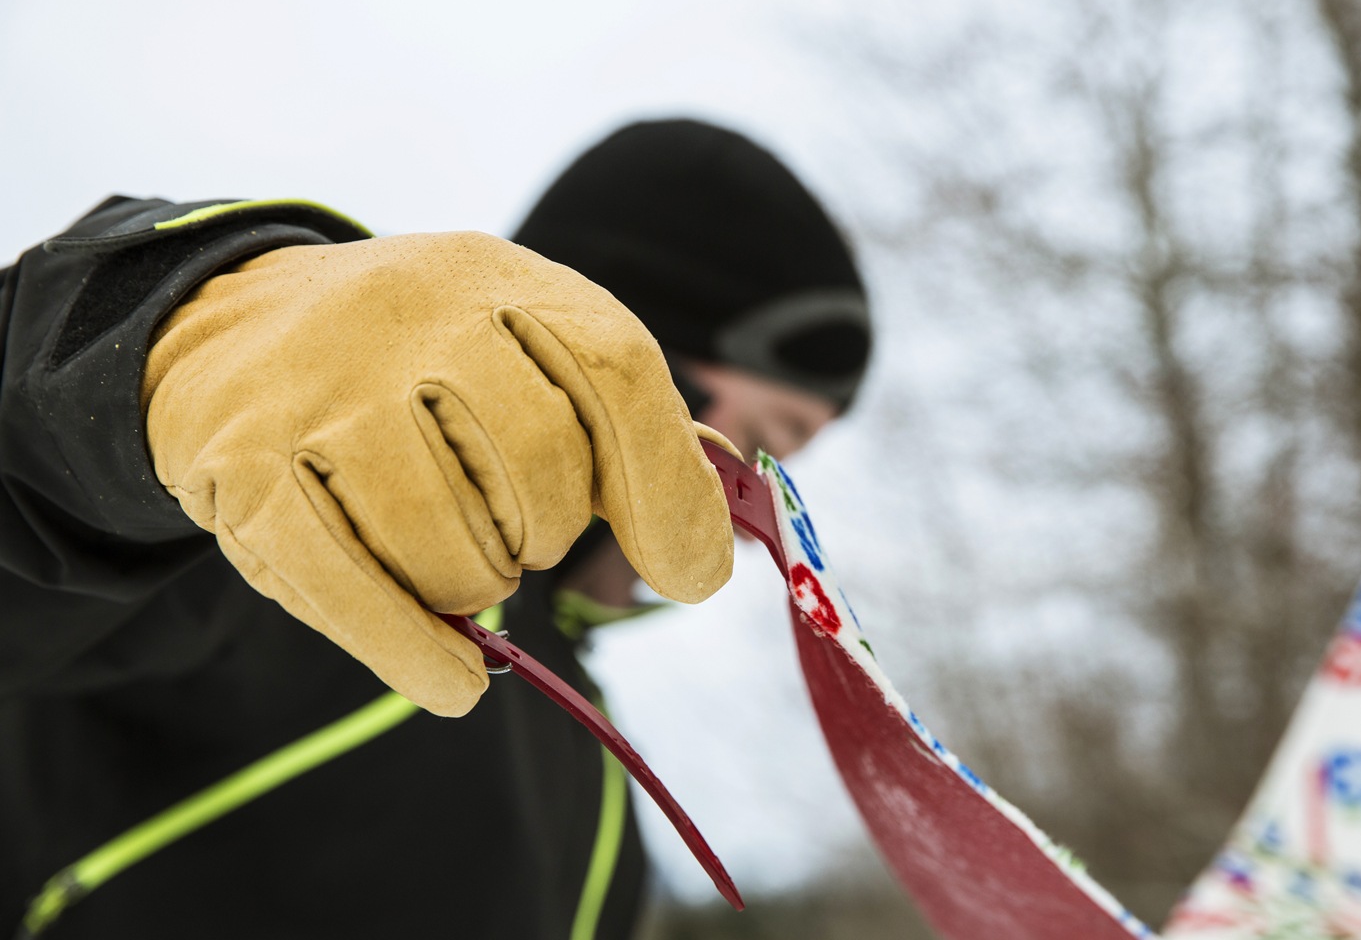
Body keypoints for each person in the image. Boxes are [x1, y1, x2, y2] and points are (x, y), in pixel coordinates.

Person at [0, 118, 870, 939]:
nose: (754, 523)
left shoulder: (610, 822)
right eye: (762, 443)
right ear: (650, 360)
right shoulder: (288, 532)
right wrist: (154, 346)